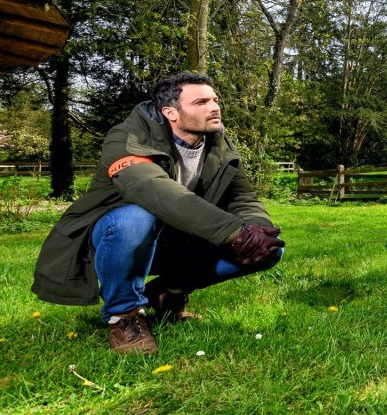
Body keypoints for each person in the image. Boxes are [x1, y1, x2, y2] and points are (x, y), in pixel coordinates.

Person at [32, 73, 285, 354]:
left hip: (176, 238)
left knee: (269, 250)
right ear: (171, 112)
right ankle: (124, 316)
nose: (214, 107)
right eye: (201, 101)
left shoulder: (218, 144)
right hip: (116, 241)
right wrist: (234, 233)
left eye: (215, 99)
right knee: (136, 217)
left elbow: (241, 196)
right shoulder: (128, 137)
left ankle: (168, 292)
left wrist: (258, 230)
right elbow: (156, 191)